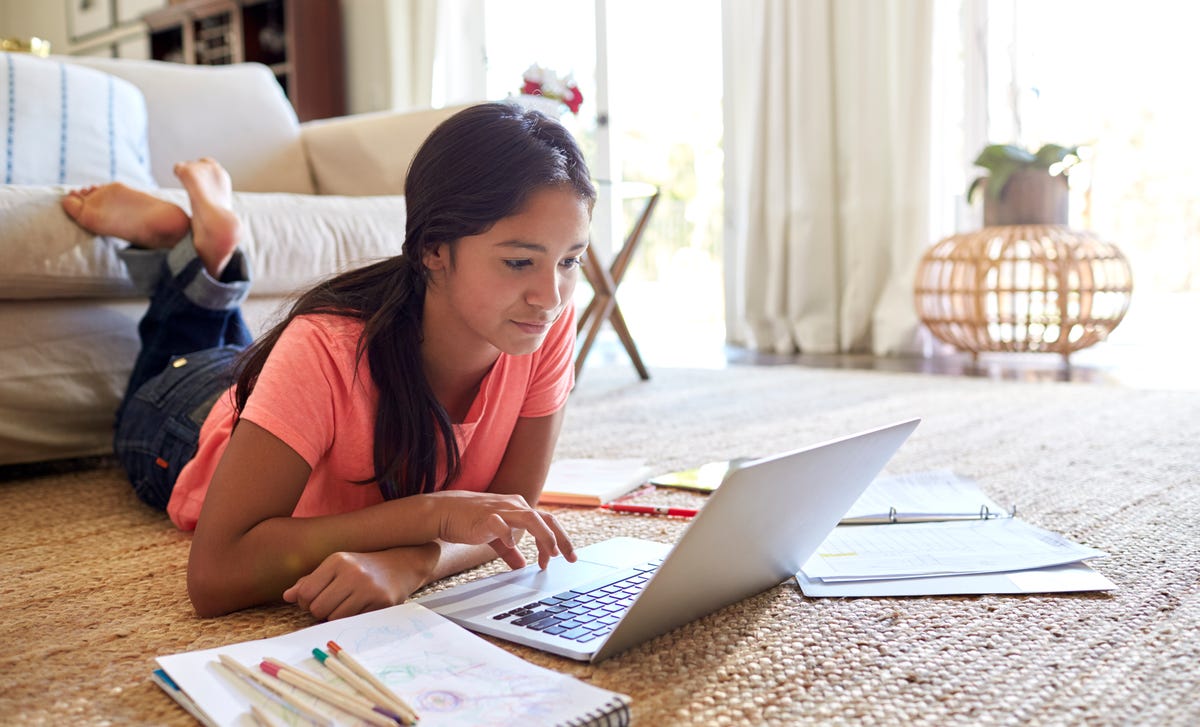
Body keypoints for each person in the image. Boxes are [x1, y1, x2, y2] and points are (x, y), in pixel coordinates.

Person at [60, 103, 592, 620]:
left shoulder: (543, 322)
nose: (550, 295)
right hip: (186, 419)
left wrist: (413, 561)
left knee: (237, 348)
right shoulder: (324, 345)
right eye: (519, 261)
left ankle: (202, 251)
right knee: (183, 357)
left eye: (570, 260)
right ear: (434, 248)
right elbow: (215, 575)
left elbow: (510, 516)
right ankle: (192, 250)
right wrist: (430, 514)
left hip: (274, 382)